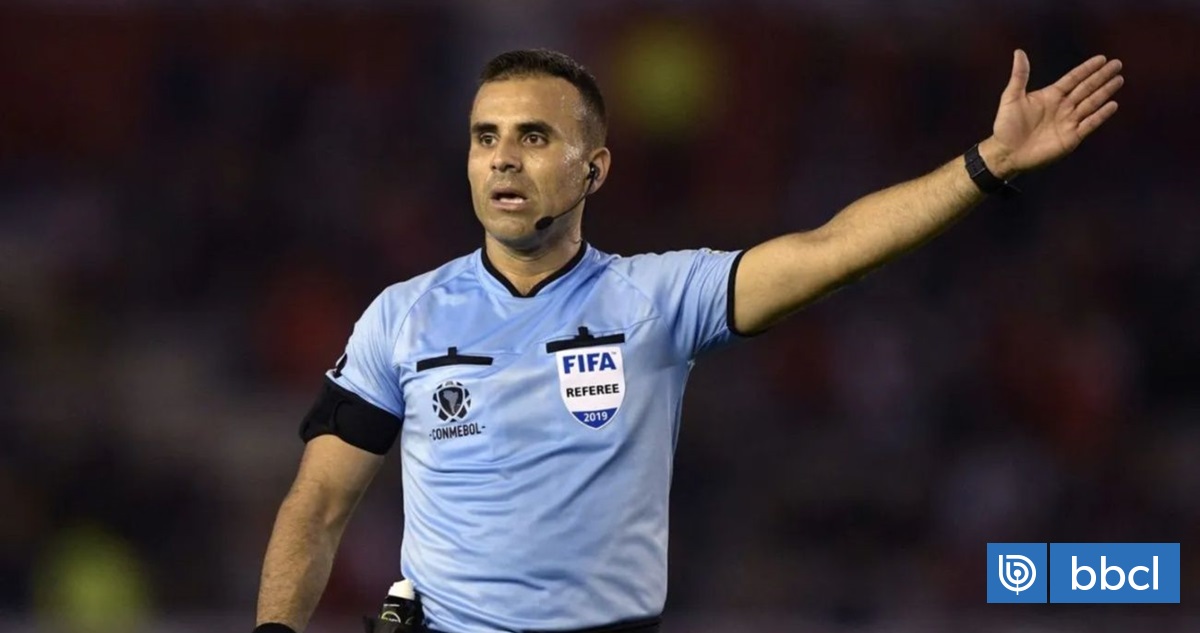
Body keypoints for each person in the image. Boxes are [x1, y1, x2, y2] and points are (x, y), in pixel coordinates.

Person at [253, 48, 1123, 633]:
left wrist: (986, 164)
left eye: (534, 136)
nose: (503, 158)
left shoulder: (658, 298)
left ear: (594, 168)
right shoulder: (402, 315)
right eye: (487, 137)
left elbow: (833, 249)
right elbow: (317, 504)